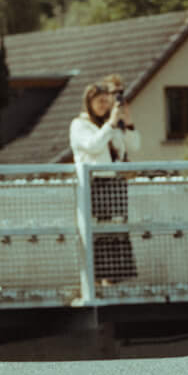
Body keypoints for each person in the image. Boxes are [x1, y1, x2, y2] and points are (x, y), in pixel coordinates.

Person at [70, 74, 140, 286]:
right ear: (89, 102)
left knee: (117, 232)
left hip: (115, 185)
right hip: (94, 185)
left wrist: (128, 122)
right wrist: (110, 124)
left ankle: (115, 280)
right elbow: (93, 146)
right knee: (98, 233)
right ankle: (97, 282)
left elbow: (134, 146)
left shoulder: (112, 125)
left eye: (106, 101)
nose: (103, 105)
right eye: (99, 101)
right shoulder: (80, 125)